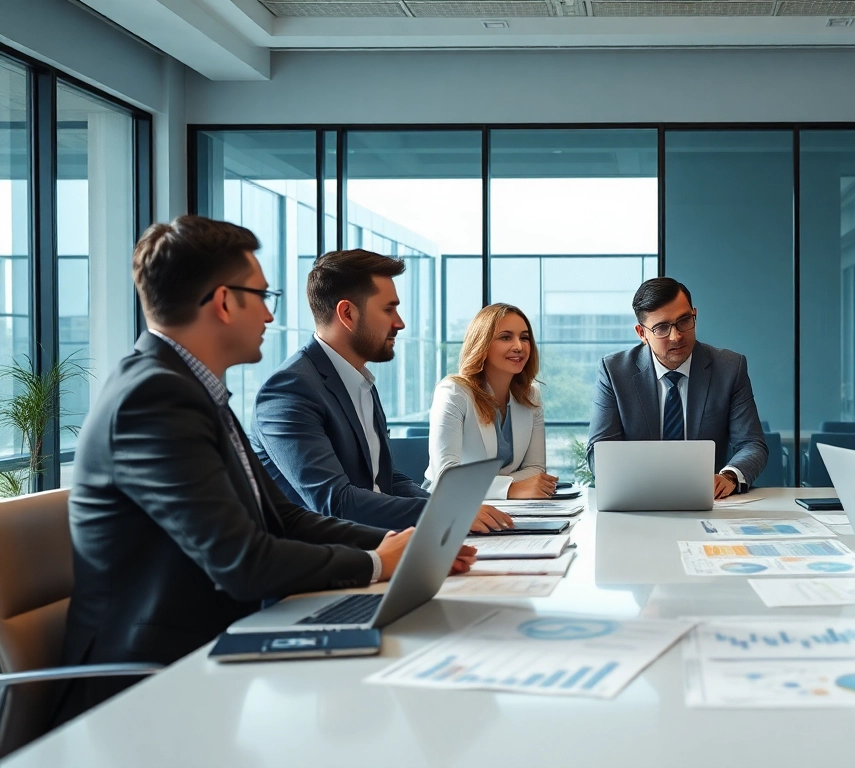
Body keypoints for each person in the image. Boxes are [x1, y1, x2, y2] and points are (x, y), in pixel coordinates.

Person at [56, 216, 475, 723]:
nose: (272, 316)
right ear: (224, 301)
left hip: (212, 657)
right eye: (262, 295)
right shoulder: (155, 397)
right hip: (148, 687)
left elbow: (285, 519)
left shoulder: (194, 391)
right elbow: (241, 561)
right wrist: (378, 564)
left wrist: (399, 548)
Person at [250, 249, 511, 533]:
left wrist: (456, 510)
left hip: (380, 543)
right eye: (389, 309)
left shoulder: (359, 382)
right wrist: (443, 512)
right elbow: (335, 502)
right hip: (330, 562)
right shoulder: (290, 390)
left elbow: (387, 480)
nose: (399, 323)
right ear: (347, 313)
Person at [587, 277, 768, 498]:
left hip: (708, 500)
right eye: (662, 328)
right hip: (639, 499)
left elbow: (752, 444)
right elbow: (600, 451)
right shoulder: (614, 371)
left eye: (684, 320)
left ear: (695, 314)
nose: (677, 336)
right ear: (641, 333)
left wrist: (729, 476)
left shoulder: (729, 368)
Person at [427, 303, 557, 499]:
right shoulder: (453, 392)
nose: (519, 347)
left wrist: (486, 484)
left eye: (524, 338)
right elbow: (447, 478)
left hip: (509, 506)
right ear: (482, 344)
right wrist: (510, 488)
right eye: (506, 337)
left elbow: (536, 470)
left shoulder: (531, 396)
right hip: (451, 505)